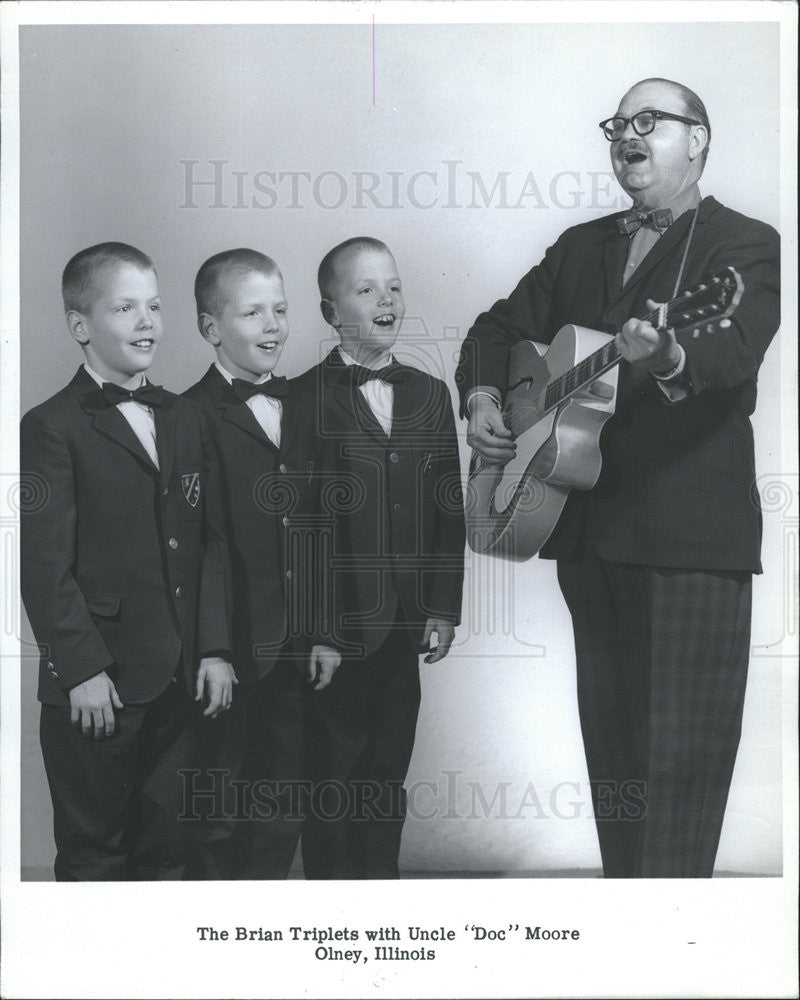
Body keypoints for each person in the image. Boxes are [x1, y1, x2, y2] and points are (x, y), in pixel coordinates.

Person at [456, 78, 780, 878]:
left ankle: (675, 950)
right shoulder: (581, 244)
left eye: (650, 122)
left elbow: (733, 354)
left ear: (698, 139)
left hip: (685, 538)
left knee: (681, 763)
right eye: (617, 125)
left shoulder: (742, 244)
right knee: (618, 763)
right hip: (586, 530)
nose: (627, 137)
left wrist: (668, 353)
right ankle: (627, 938)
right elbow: (499, 328)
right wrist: (486, 395)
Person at [20, 242, 235, 880]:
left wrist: (215, 648)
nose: (147, 322)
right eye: (125, 308)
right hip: (100, 686)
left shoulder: (188, 419)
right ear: (80, 327)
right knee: (97, 856)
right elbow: (41, 564)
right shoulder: (51, 426)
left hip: (180, 682)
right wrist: (81, 669)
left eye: (154, 306)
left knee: (170, 850)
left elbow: (210, 544)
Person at [293, 236, 466, 878]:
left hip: (403, 623)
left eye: (393, 286)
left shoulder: (427, 393)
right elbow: (301, 528)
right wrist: (320, 631)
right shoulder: (303, 398)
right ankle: (335, 906)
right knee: (333, 771)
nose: (386, 299)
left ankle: (378, 897)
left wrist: (442, 607)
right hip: (336, 634)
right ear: (329, 310)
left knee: (387, 766)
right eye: (365, 290)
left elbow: (447, 510)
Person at [184, 248, 341, 878]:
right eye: (253, 312)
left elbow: (319, 530)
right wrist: (214, 648)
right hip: (227, 651)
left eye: (280, 309)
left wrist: (325, 629)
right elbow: (198, 546)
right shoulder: (186, 416)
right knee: (217, 804)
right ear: (211, 329)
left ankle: (263, 943)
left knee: (282, 804)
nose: (273, 325)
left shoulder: (303, 406)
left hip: (294, 645)